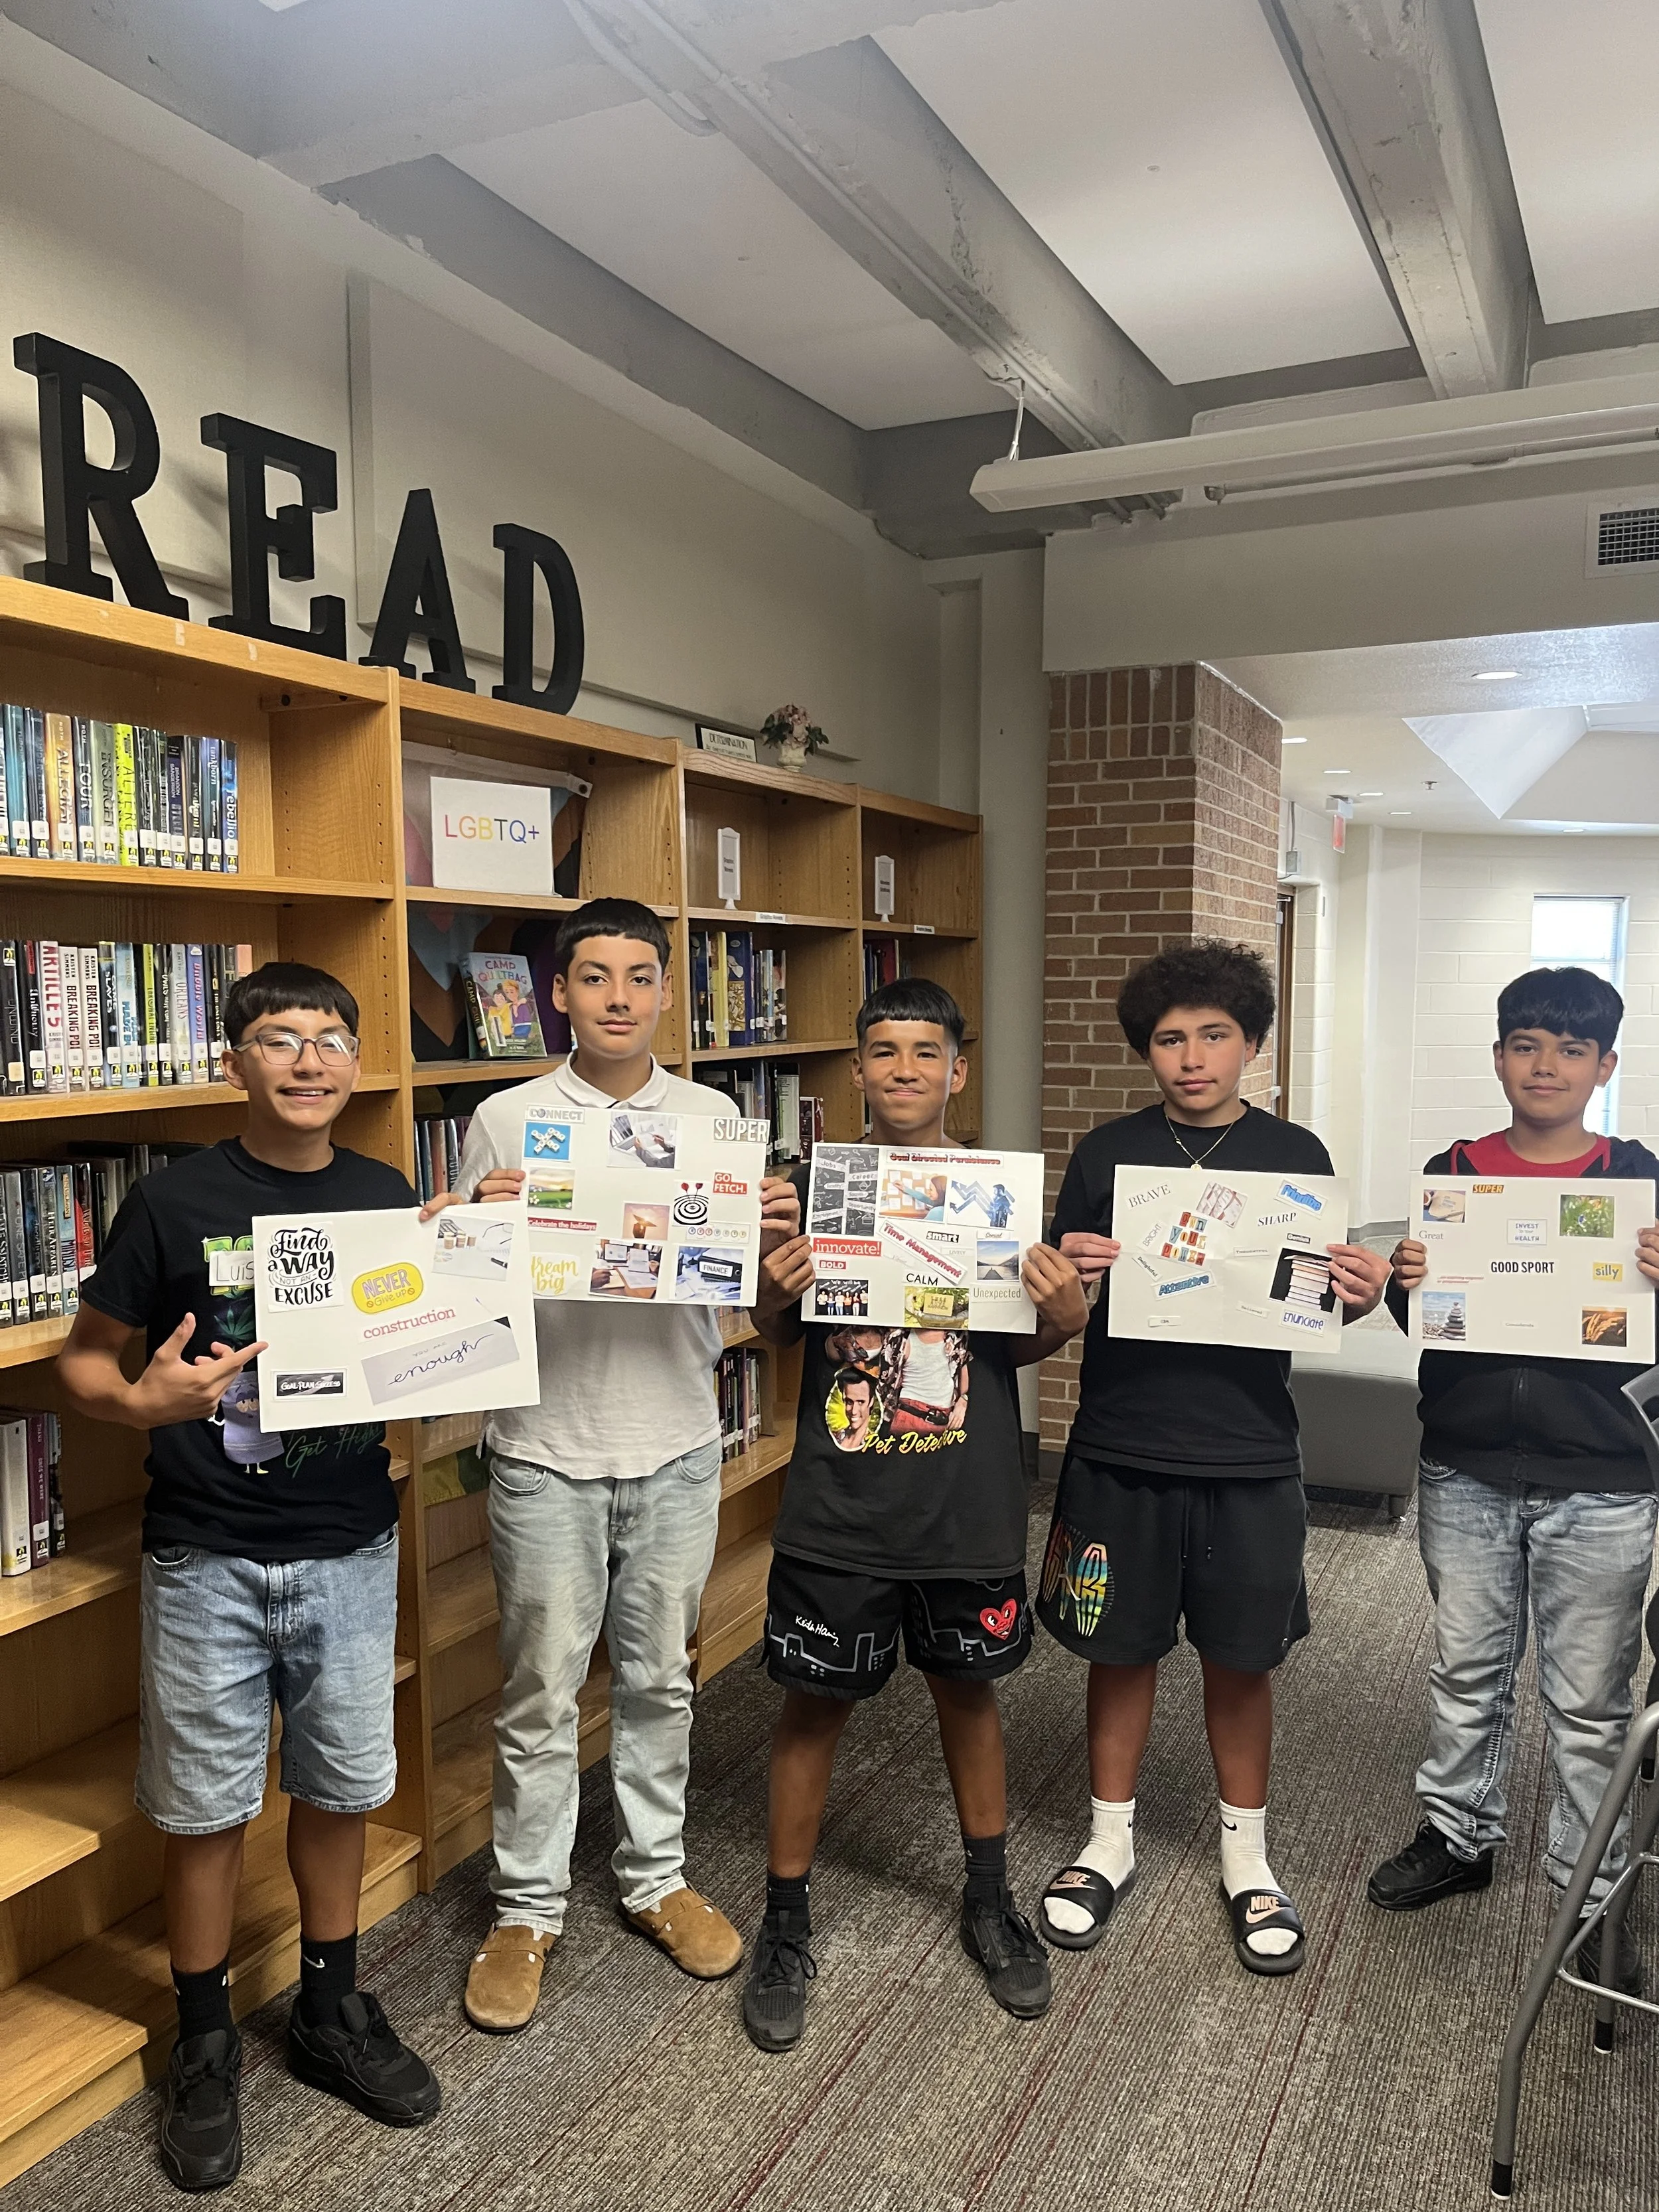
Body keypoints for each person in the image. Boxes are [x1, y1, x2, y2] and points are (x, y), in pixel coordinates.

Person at [58, 963, 441, 2195]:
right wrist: (139, 1402)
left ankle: (330, 2010)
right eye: (281, 1039)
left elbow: (415, 1339)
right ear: (236, 1060)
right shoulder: (172, 1202)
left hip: (349, 1544)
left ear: (357, 1061)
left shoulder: (385, 1196)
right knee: (204, 1805)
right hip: (205, 1552)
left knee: (340, 1785)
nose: (311, 1061)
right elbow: (81, 1367)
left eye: (334, 1040)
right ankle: (207, 2037)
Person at [451, 898, 799, 2031]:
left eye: (638, 977)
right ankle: (527, 1906)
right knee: (542, 1690)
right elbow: (467, 1300)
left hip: (678, 1446)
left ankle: (654, 1877)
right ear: (559, 992)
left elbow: (750, 1295)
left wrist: (771, 1233)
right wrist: (476, 1229)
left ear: (666, 993)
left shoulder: (712, 1121)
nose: (614, 997)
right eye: (592, 976)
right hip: (545, 1449)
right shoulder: (505, 1119)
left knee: (661, 1678)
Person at [742, 978, 1089, 2051]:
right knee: (811, 1707)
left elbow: (1014, 1345)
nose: (903, 1070)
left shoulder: (996, 1194)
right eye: (882, 1052)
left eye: (924, 1052)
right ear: (855, 1071)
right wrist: (774, 1282)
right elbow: (774, 1330)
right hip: (841, 1503)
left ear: (957, 1070)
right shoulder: (815, 1187)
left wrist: (1064, 1319)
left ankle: (989, 1896)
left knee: (969, 1695)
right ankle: (785, 1917)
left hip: (965, 1503)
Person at [1035, 940, 1390, 1974]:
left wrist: (1352, 1296)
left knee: (1243, 1656)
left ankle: (1249, 1856)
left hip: (1249, 1451)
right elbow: (1061, 1298)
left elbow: (1312, 1297)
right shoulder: (1107, 1153)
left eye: (1214, 1036)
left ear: (1251, 1043)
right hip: (1122, 1441)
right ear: (1147, 1050)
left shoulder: (1296, 1154)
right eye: (1169, 1039)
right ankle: (1108, 1840)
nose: (1191, 1058)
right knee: (1121, 1648)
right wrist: (1074, 1275)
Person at [1369, 966, 1659, 1992]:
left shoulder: (1638, 1181)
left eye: (1571, 1050)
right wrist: (1411, 1286)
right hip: (1467, 1468)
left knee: (1588, 1699)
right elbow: (1432, 1328)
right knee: (1467, 1671)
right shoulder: (1456, 1171)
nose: (1547, 1067)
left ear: (1605, 1067)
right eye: (1527, 1045)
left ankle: (1592, 1884)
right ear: (1498, 1057)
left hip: (1604, 1481)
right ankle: (1459, 1836)